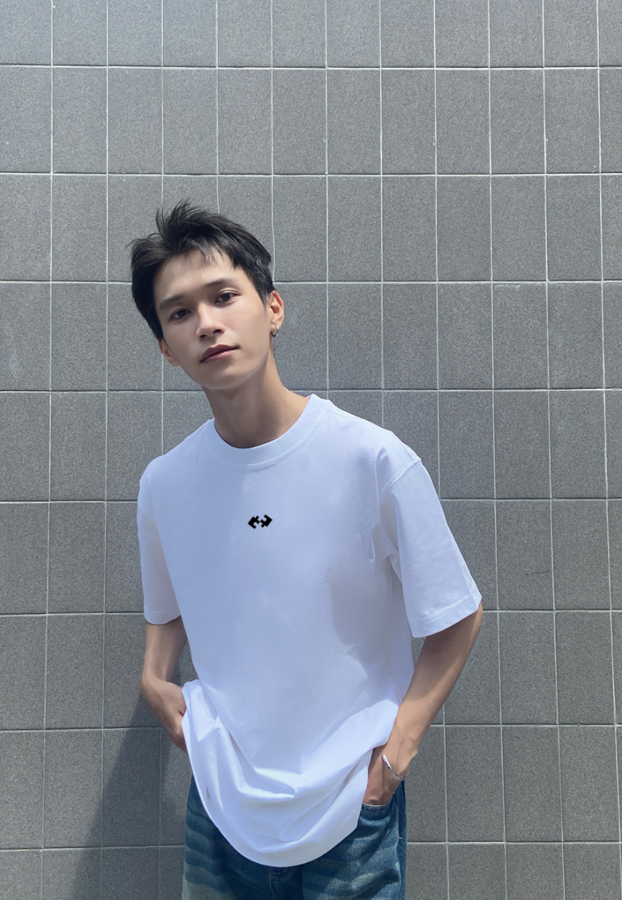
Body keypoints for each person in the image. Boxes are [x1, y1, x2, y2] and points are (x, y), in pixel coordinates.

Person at [131, 200, 483, 899]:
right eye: (179, 312)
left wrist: (396, 754)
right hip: (220, 801)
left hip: (351, 806)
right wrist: (153, 674)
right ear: (167, 348)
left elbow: (456, 615)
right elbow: (168, 604)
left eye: (224, 296)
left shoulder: (371, 460)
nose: (207, 323)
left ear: (273, 309)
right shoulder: (165, 484)